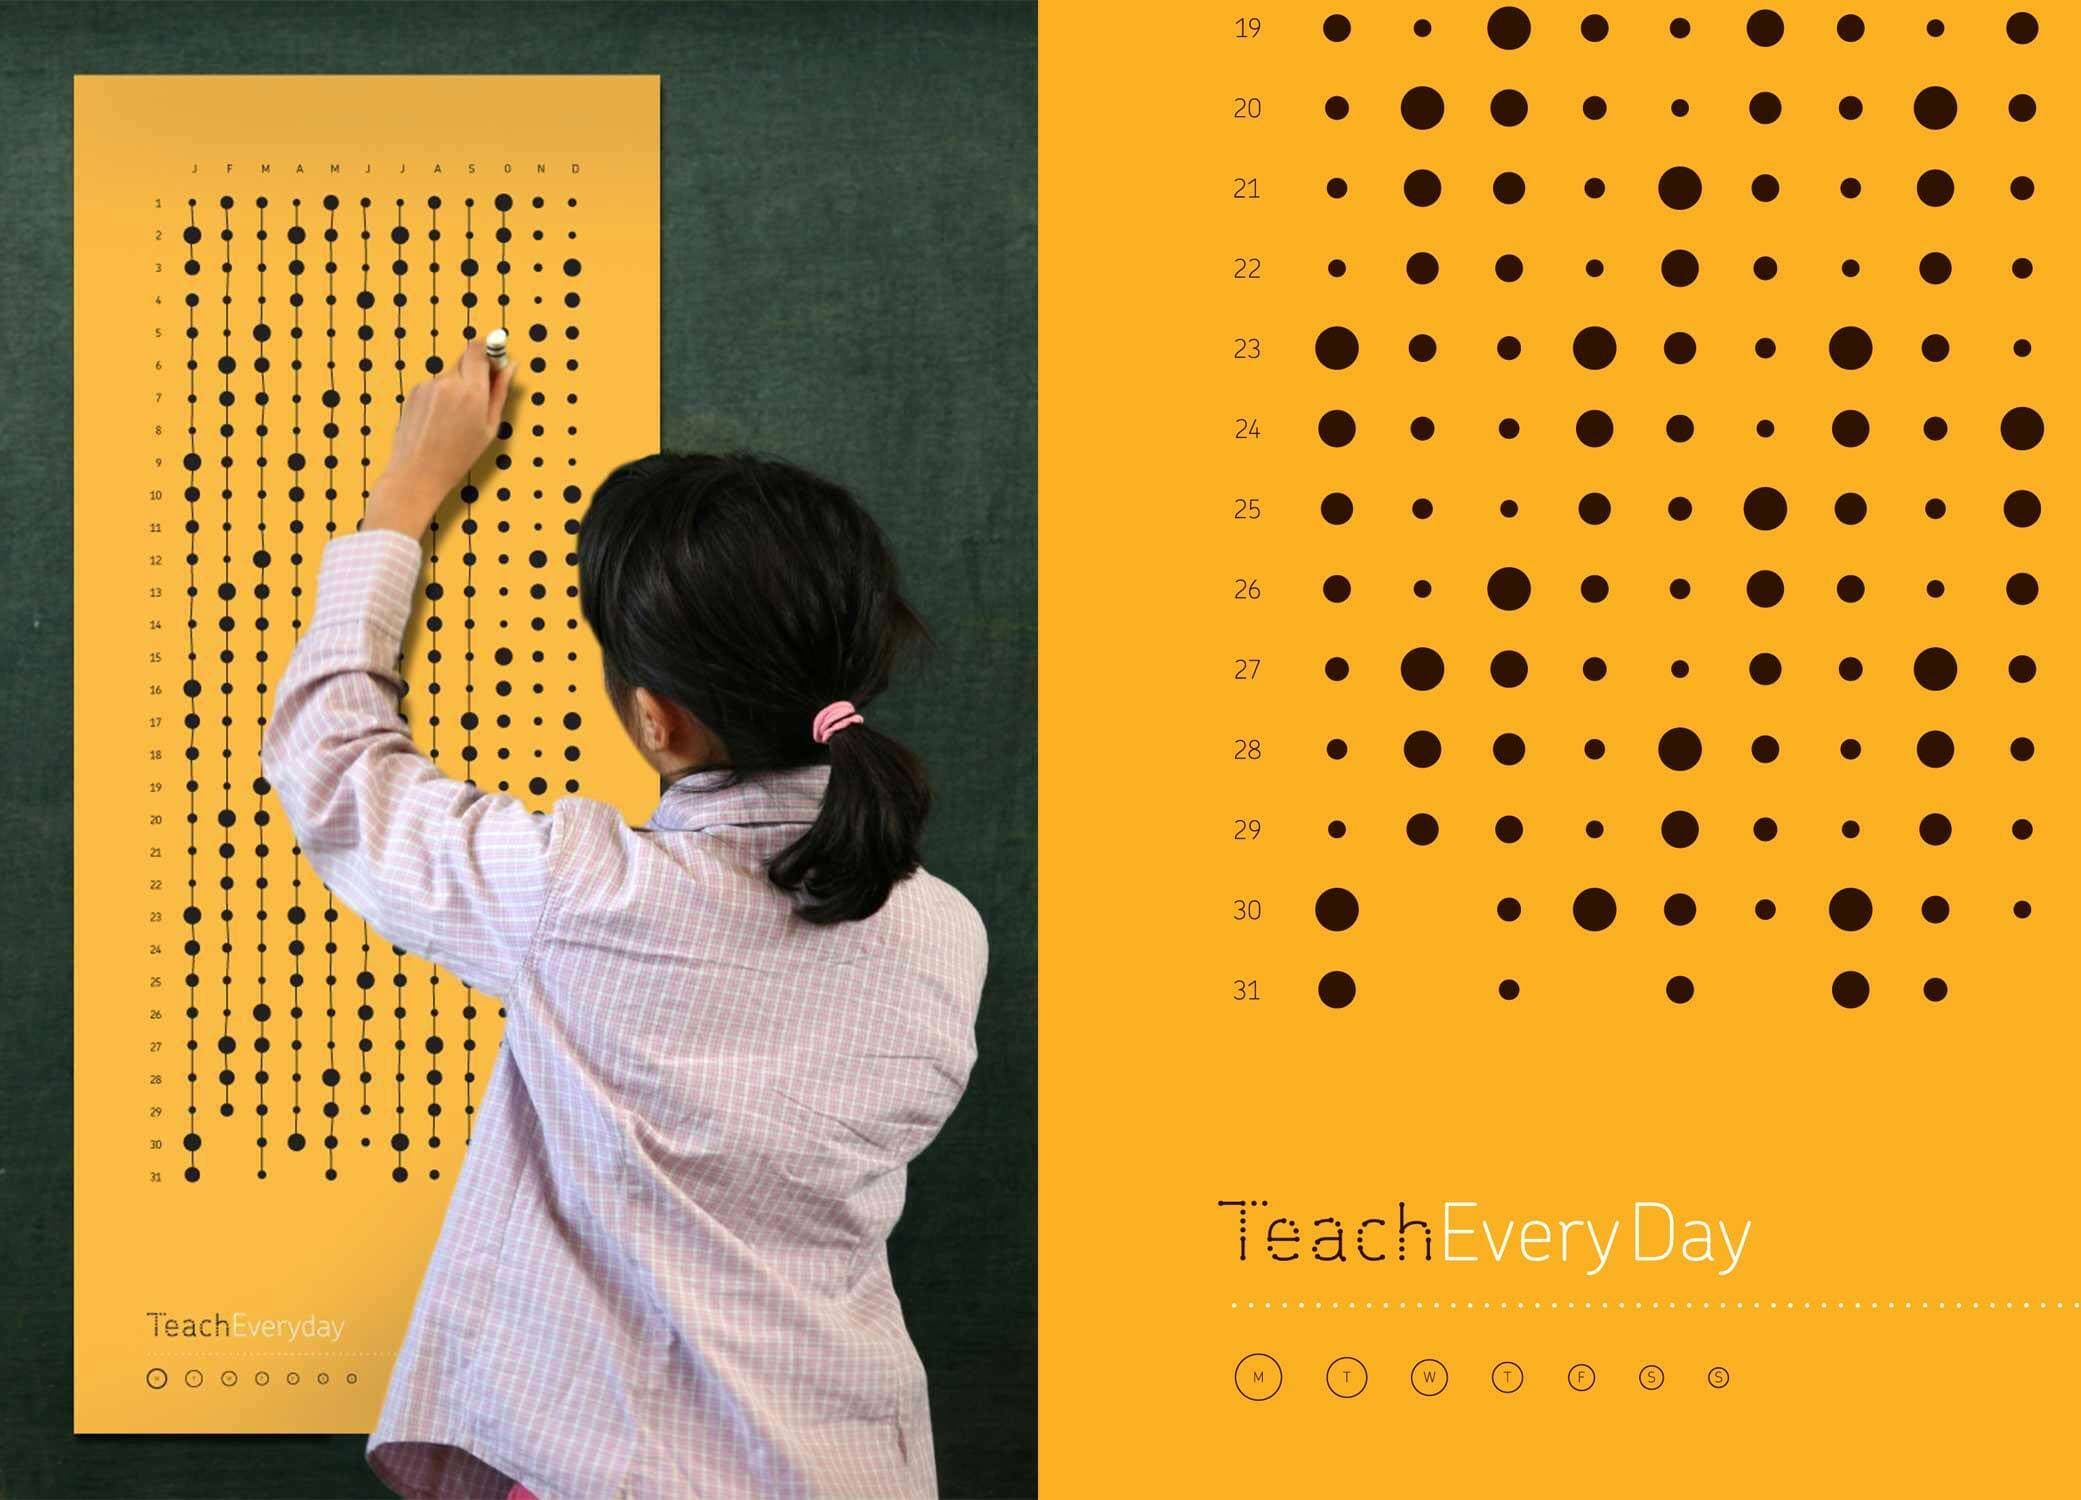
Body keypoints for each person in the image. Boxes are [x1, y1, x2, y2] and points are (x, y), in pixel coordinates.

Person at [260, 337, 989, 1498]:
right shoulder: (946, 934)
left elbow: (336, 769)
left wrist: (405, 490)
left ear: (657, 723)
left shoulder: (584, 896)